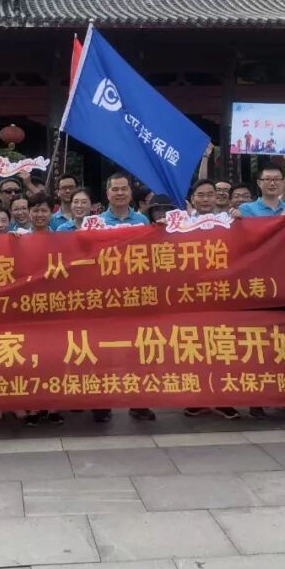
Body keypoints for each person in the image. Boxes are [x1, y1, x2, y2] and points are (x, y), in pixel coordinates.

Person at [95, 172, 155, 422]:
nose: (119, 193)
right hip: (104, 298)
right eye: (115, 189)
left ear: (131, 193)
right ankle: (101, 403)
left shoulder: (142, 221)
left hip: (135, 297)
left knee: (138, 351)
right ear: (107, 193)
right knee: (102, 352)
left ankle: (139, 402)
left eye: (124, 189)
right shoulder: (96, 223)